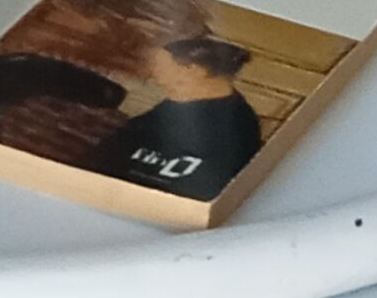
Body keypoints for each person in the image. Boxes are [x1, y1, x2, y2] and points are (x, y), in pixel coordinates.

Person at [89, 31, 264, 202]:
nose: (155, 76)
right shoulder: (184, 100)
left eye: (161, 67)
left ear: (193, 70)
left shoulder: (234, 130)